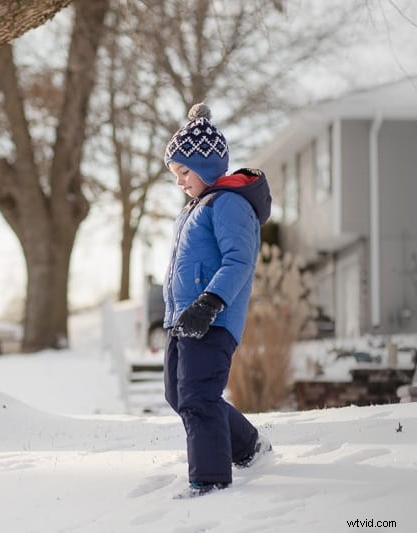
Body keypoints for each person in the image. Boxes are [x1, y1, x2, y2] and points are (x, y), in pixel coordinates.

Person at [162, 103, 273, 498]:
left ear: (206, 166)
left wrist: (210, 302)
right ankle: (248, 447)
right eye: (175, 175)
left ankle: (209, 481)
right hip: (183, 319)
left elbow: (239, 261)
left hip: (213, 319)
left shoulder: (229, 203)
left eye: (184, 172)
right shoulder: (193, 209)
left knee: (198, 398)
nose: (179, 182)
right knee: (178, 395)